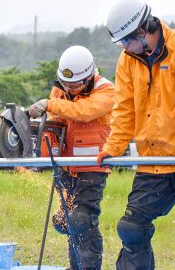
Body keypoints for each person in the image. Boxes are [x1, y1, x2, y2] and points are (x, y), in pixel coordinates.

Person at [97, 0, 175, 269]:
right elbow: (124, 109)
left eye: (125, 42)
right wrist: (114, 146)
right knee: (131, 227)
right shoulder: (128, 61)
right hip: (154, 160)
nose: (123, 48)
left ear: (142, 32)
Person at [29, 45, 115, 269]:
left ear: (89, 76)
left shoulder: (105, 90)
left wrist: (49, 104)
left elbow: (83, 111)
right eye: (65, 84)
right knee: (66, 220)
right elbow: (55, 123)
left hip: (93, 168)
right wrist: (47, 156)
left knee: (81, 220)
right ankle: (75, 266)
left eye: (74, 84)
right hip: (66, 167)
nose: (69, 88)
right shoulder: (59, 92)